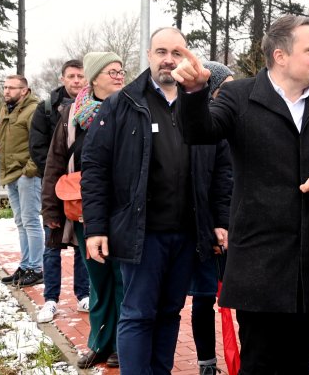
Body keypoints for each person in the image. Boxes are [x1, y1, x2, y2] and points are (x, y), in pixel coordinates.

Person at [175, 14, 309, 374]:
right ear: (280, 56)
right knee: (260, 365)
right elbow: (199, 131)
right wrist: (195, 92)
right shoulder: (239, 96)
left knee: (298, 366)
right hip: (260, 266)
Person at [81, 28, 234, 374]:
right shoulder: (122, 104)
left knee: (169, 313)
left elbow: (222, 169)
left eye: (176, 53)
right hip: (142, 234)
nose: (168, 59)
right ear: (148, 55)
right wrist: (95, 227)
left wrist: (220, 221)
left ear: (186, 57)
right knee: (137, 314)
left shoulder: (201, 106)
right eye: (161, 51)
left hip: (187, 235)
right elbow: (95, 166)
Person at [41, 52, 126, 369]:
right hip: (84, 210)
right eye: (112, 71)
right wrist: (51, 212)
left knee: (122, 281)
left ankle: (119, 343)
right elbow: (55, 163)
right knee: (98, 281)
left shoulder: (131, 110)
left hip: (122, 211)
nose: (119, 76)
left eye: (121, 71)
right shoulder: (70, 115)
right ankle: (98, 344)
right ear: (94, 76)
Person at [29, 59, 90, 323]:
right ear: (62, 78)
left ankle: (84, 294)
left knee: (82, 244)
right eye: (72, 76)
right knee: (52, 245)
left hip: (83, 188)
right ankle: (51, 299)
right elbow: (40, 148)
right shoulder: (46, 108)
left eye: (81, 76)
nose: (76, 81)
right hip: (56, 185)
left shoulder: (95, 109)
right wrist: (59, 179)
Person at [188, 60, 235, 375]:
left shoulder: (240, 120)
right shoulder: (199, 127)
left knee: (241, 298)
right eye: (226, 87)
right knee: (205, 297)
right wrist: (212, 224)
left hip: (235, 224)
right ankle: (207, 362)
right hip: (205, 228)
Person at [0, 75, 44, 288]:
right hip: (10, 173)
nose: (6, 91)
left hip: (26, 175)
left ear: (24, 90)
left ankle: (36, 268)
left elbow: (39, 143)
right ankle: (26, 265)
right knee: (21, 222)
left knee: (30, 221)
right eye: (5, 87)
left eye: (11, 88)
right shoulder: (6, 109)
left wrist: (29, 171)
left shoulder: (34, 110)